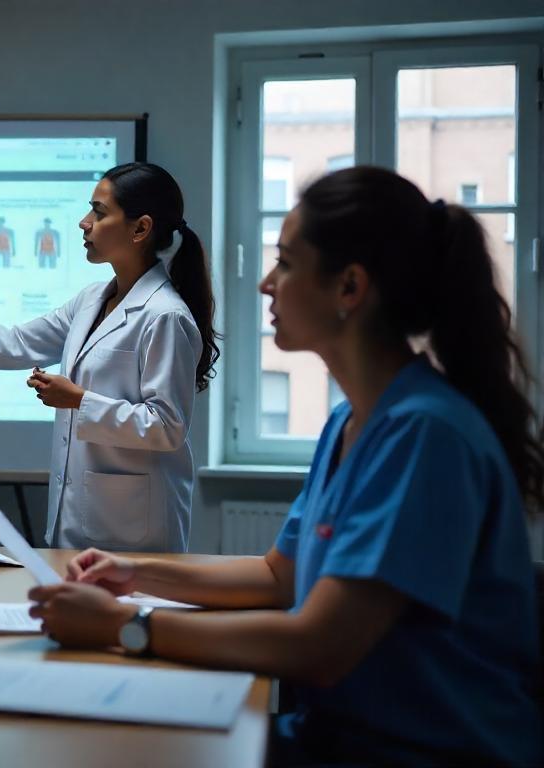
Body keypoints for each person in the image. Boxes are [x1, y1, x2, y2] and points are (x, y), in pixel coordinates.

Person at [30, 167, 543, 766]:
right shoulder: (352, 423)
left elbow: (320, 645)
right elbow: (278, 578)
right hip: (341, 734)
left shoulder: (423, 432)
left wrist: (124, 625)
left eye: (287, 263)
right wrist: (133, 571)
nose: (266, 284)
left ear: (349, 288)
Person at [0, 162, 219, 552]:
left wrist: (79, 401)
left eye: (99, 213)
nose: (84, 223)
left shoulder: (164, 315)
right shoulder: (91, 300)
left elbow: (167, 428)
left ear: (141, 228)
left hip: (136, 535)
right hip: (81, 524)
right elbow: (16, 342)